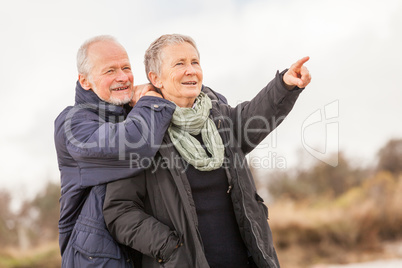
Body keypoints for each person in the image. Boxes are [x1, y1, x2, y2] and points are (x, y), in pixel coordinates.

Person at [103, 34, 311, 268]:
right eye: (179, 64)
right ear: (155, 78)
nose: (191, 70)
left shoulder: (220, 118)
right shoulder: (139, 133)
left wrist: (284, 85)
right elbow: (120, 212)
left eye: (195, 62)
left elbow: (254, 116)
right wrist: (169, 247)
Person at [54, 35, 176, 267]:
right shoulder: (71, 124)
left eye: (126, 68)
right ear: (85, 81)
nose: (123, 77)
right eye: (109, 71)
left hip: (144, 252)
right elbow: (133, 145)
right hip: (95, 261)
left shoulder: (134, 112)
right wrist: (151, 99)